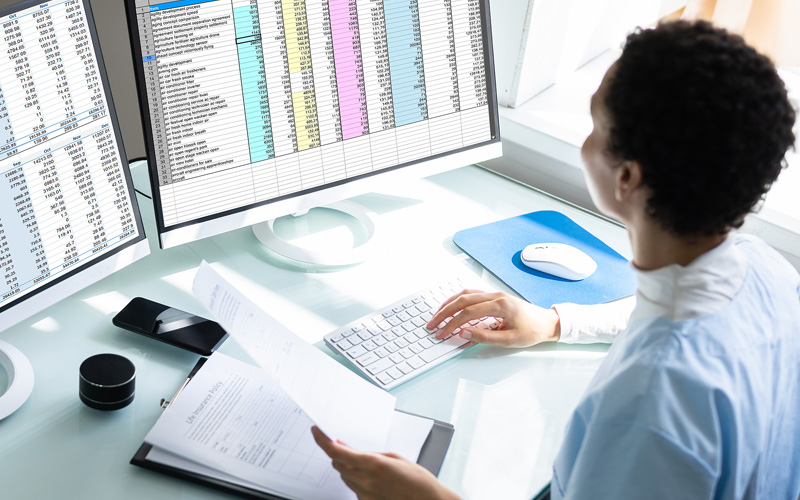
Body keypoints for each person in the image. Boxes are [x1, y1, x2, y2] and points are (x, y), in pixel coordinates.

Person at [312, 20, 800, 500]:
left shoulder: (647, 410)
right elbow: (683, 318)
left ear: (627, 176)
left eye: (594, 125)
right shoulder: (768, 271)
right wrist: (554, 322)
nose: (584, 142)